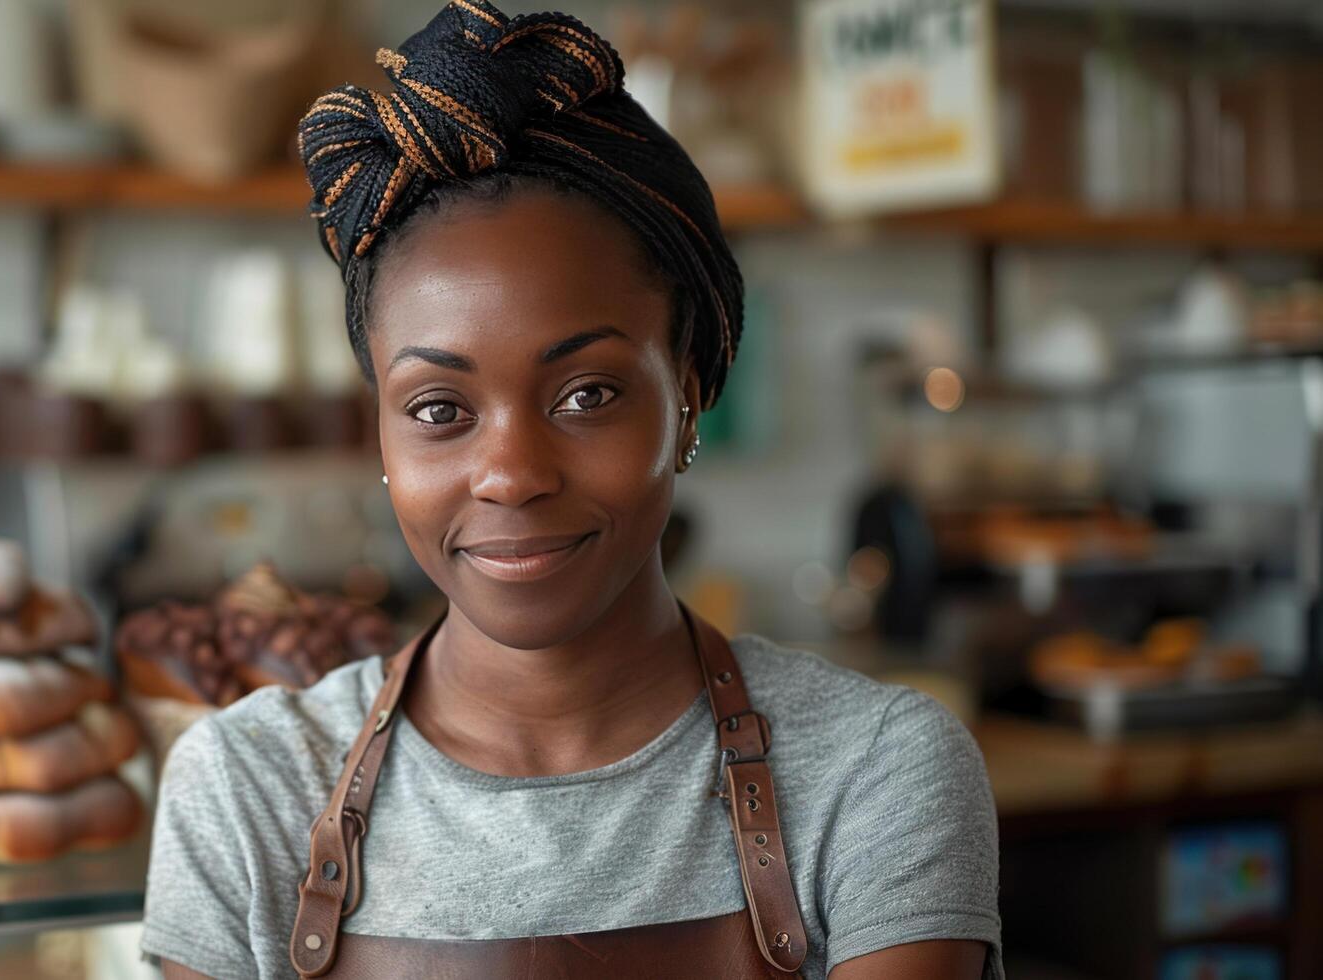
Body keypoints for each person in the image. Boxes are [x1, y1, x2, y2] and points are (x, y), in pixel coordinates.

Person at [141, 2, 1001, 977]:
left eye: (586, 393)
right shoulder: (249, 787)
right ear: (379, 429)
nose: (511, 472)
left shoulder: (874, 770)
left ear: (691, 392)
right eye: (437, 409)